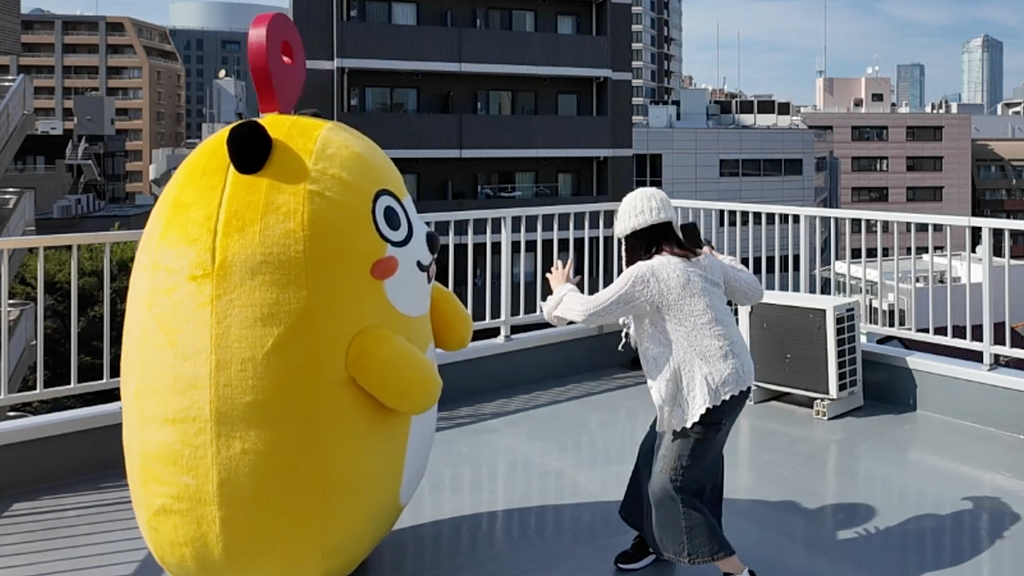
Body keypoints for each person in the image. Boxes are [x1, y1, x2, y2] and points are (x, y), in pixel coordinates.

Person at [541, 187, 764, 576]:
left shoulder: (647, 274)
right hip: (727, 381)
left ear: (630, 237)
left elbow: (588, 310)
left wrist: (561, 289)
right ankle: (652, 538)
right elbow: (752, 290)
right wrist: (715, 255)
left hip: (708, 390)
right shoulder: (701, 261)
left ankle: (737, 572)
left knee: (670, 486)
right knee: (652, 457)